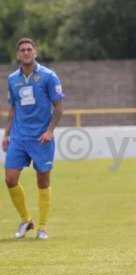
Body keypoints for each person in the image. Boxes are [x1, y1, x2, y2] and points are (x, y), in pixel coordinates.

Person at [2, 38, 64, 240]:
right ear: (18, 55)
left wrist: (50, 131)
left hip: (41, 138)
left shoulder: (49, 76)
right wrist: (6, 133)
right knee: (10, 179)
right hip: (19, 136)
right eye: (22, 50)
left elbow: (59, 108)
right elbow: (13, 108)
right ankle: (26, 220)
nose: (26, 52)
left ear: (35, 52)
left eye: (29, 49)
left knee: (42, 180)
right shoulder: (12, 79)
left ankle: (43, 227)